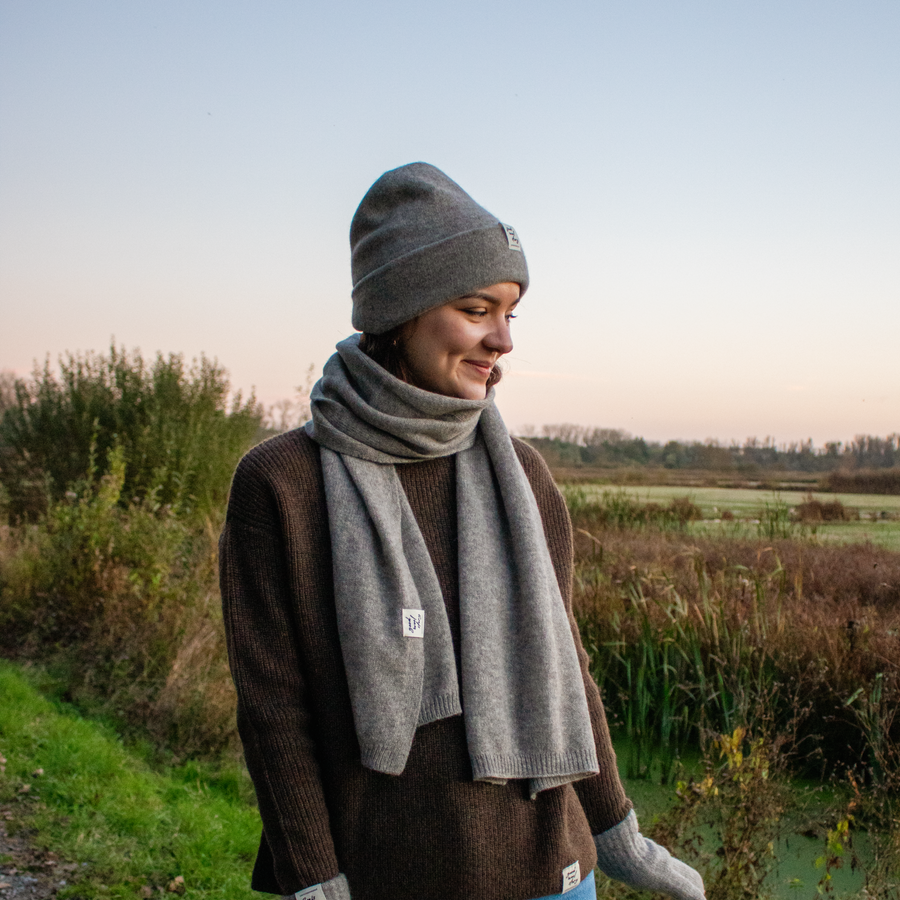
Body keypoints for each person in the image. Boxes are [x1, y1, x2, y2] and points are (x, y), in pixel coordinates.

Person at [220, 163, 705, 900]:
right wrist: (313, 879)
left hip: (554, 870)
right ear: (400, 312)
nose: (503, 339)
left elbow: (564, 664)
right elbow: (274, 712)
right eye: (478, 309)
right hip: (391, 875)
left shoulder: (523, 474)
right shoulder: (282, 484)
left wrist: (617, 832)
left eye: (512, 313)